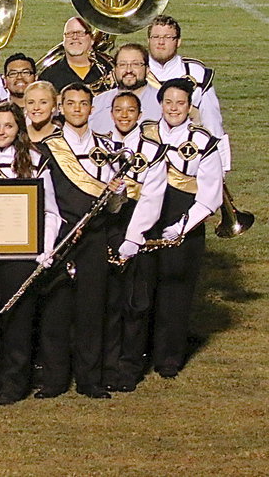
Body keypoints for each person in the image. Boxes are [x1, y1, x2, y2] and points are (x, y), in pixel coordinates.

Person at [36, 82, 152, 399]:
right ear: (61, 107)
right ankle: (55, 379)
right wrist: (59, 231)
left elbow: (116, 206)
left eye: (83, 103)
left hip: (96, 236)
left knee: (92, 309)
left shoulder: (108, 149)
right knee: (56, 311)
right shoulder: (49, 149)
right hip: (60, 236)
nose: (77, 109)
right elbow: (45, 201)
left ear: (91, 108)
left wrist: (117, 193)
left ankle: (90, 379)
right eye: (70, 103)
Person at [0, 103, 60, 405]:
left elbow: (51, 212)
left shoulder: (35, 161)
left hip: (21, 251)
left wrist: (45, 249)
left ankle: (15, 384)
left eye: (9, 126)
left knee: (17, 319)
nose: (2, 131)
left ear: (19, 129)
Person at [144, 79, 223, 378]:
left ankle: (168, 358)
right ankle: (144, 350)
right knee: (143, 290)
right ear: (160, 104)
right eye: (168, 102)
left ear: (189, 107)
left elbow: (210, 195)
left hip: (184, 225)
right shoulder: (145, 136)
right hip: (146, 224)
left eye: (180, 103)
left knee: (175, 294)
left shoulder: (204, 142)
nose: (174, 108)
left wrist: (183, 226)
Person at [101, 91, 168, 392]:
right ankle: (108, 365)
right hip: (106, 227)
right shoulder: (99, 145)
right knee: (108, 302)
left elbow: (153, 198)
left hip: (137, 230)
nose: (124, 115)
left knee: (135, 303)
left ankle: (129, 368)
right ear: (111, 113)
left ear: (140, 115)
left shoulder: (153, 150)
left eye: (131, 110)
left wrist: (133, 238)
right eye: (118, 110)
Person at [146, 15, 228, 170]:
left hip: (187, 158)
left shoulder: (196, 73)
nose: (160, 42)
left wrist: (220, 167)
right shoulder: (134, 70)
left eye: (167, 37)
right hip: (145, 156)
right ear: (148, 40)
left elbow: (212, 121)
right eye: (155, 36)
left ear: (178, 42)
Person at [90, 44, 161, 136]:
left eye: (135, 64)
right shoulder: (98, 104)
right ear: (115, 70)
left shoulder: (162, 103)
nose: (128, 70)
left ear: (147, 70)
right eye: (122, 64)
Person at [39, 16, 111, 92]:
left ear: (92, 39)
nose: (75, 37)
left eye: (80, 33)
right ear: (63, 40)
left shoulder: (109, 69)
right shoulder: (48, 76)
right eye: (69, 33)